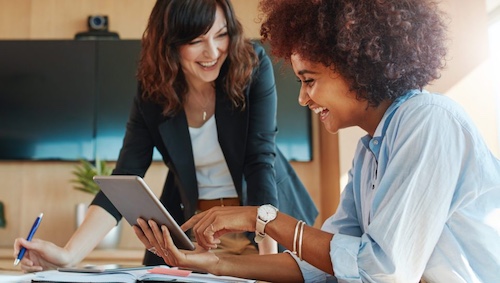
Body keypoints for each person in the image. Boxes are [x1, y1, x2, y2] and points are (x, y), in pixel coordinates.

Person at [131, 0, 500, 282]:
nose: (303, 98)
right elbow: (324, 265)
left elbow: (381, 271)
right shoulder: (369, 151)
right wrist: (213, 263)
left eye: (309, 80)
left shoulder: (428, 120)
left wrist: (262, 217)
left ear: (356, 64)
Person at [13, 0, 318, 272]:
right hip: (199, 233)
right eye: (196, 40)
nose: (213, 51)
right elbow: (125, 176)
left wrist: (268, 261)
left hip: (265, 224)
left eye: (221, 34)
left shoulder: (251, 66)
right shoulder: (154, 91)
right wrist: (67, 255)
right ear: (170, 43)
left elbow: (259, 160)